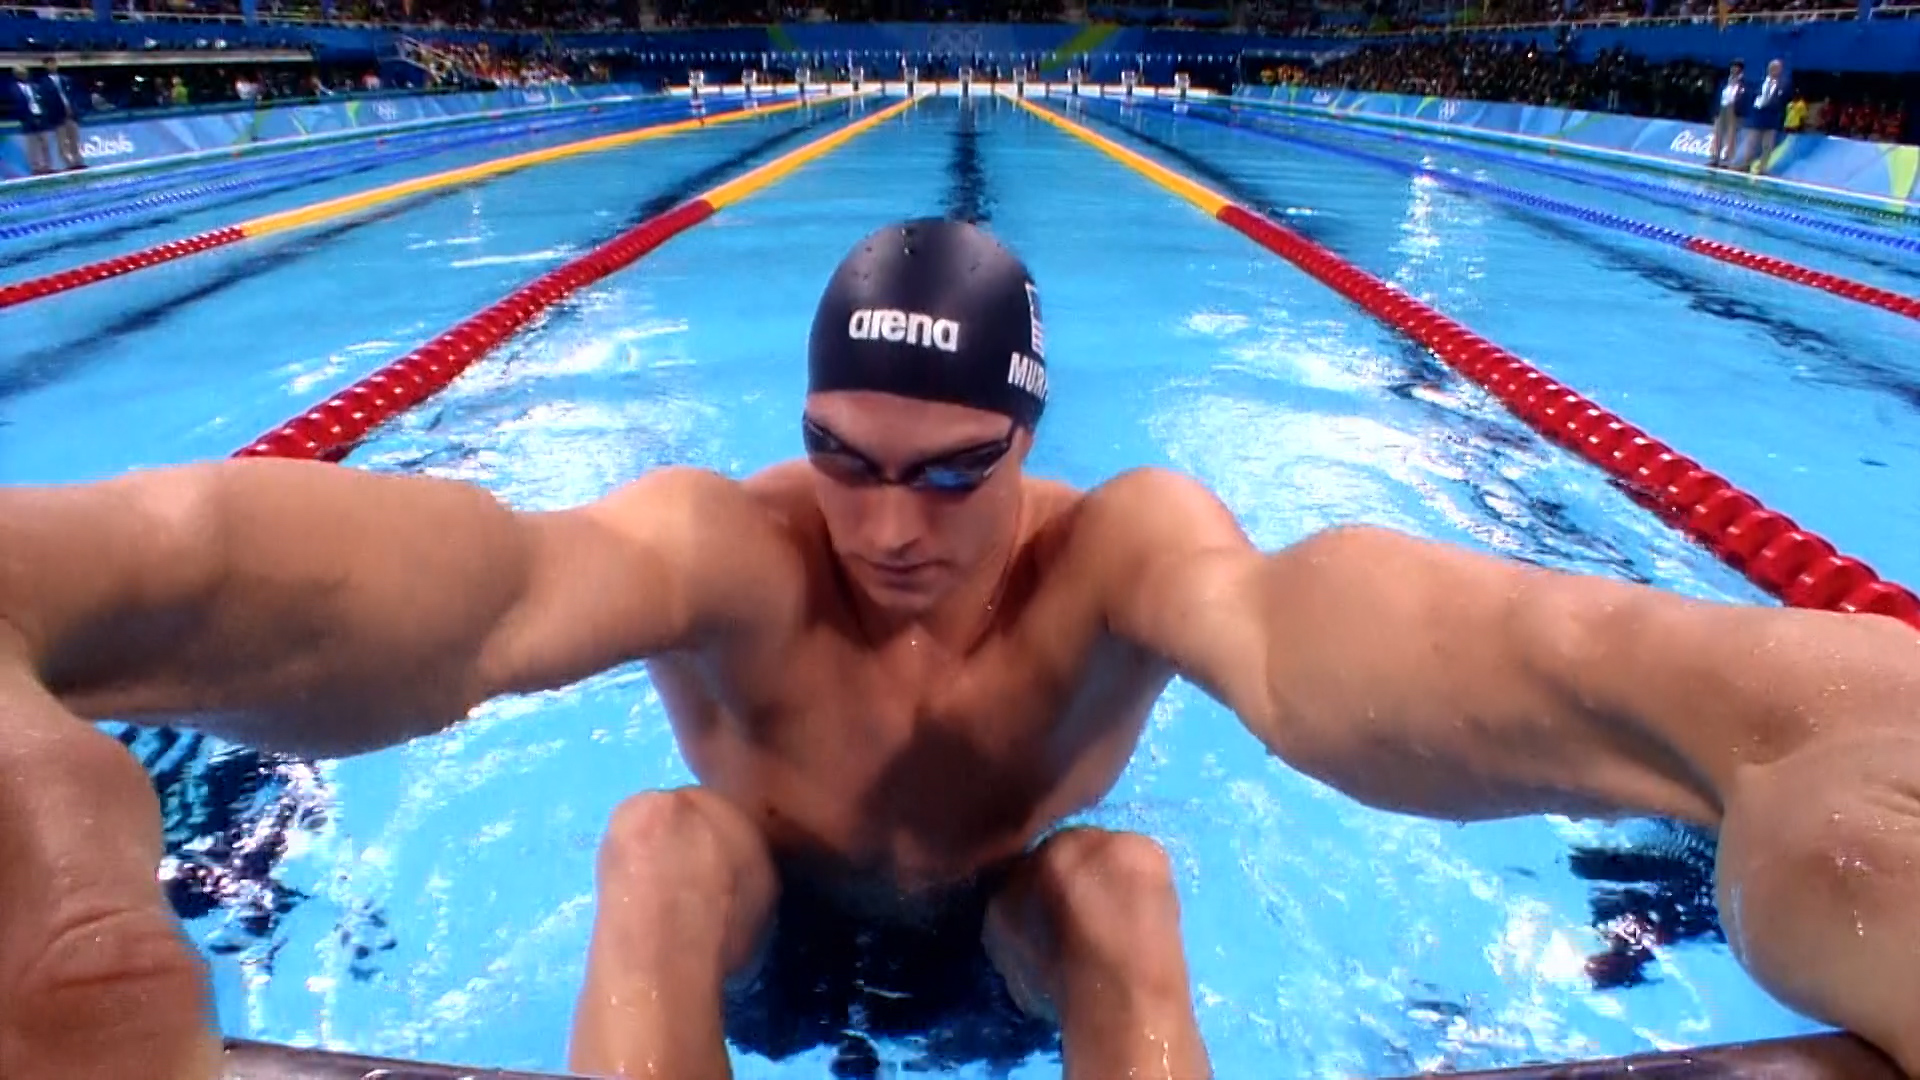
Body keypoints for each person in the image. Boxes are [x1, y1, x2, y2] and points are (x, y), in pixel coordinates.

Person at [2, 219, 1920, 1080]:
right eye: (844, 460)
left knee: (1121, 881)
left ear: (1031, 434)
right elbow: (464, 590)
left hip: (1010, 968)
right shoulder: (725, 547)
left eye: (951, 472)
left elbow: (1334, 641)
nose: (889, 528)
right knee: (661, 842)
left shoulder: (1122, 550)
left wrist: (1740, 707)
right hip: (755, 957)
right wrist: (68, 582)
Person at [1738, 58, 1791, 175]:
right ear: (1768, 69)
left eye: (1777, 68)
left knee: (1767, 144)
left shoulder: (1783, 84)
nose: (1774, 70)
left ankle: (1763, 168)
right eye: (1772, 68)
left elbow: (1785, 99)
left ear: (1780, 70)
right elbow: (1753, 95)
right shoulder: (1761, 81)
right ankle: (1746, 164)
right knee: (1752, 141)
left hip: (1772, 116)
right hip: (1758, 114)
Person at [1707, 58, 1748, 169]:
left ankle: (1727, 160)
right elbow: (1718, 96)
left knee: (1731, 135)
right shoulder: (1724, 82)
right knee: (1717, 134)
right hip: (1722, 108)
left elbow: (1744, 99)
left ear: (1740, 70)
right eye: (1732, 67)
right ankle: (1714, 157)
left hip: (1733, 110)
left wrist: (1739, 112)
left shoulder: (1743, 84)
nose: (1734, 69)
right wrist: (1716, 111)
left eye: (1736, 68)